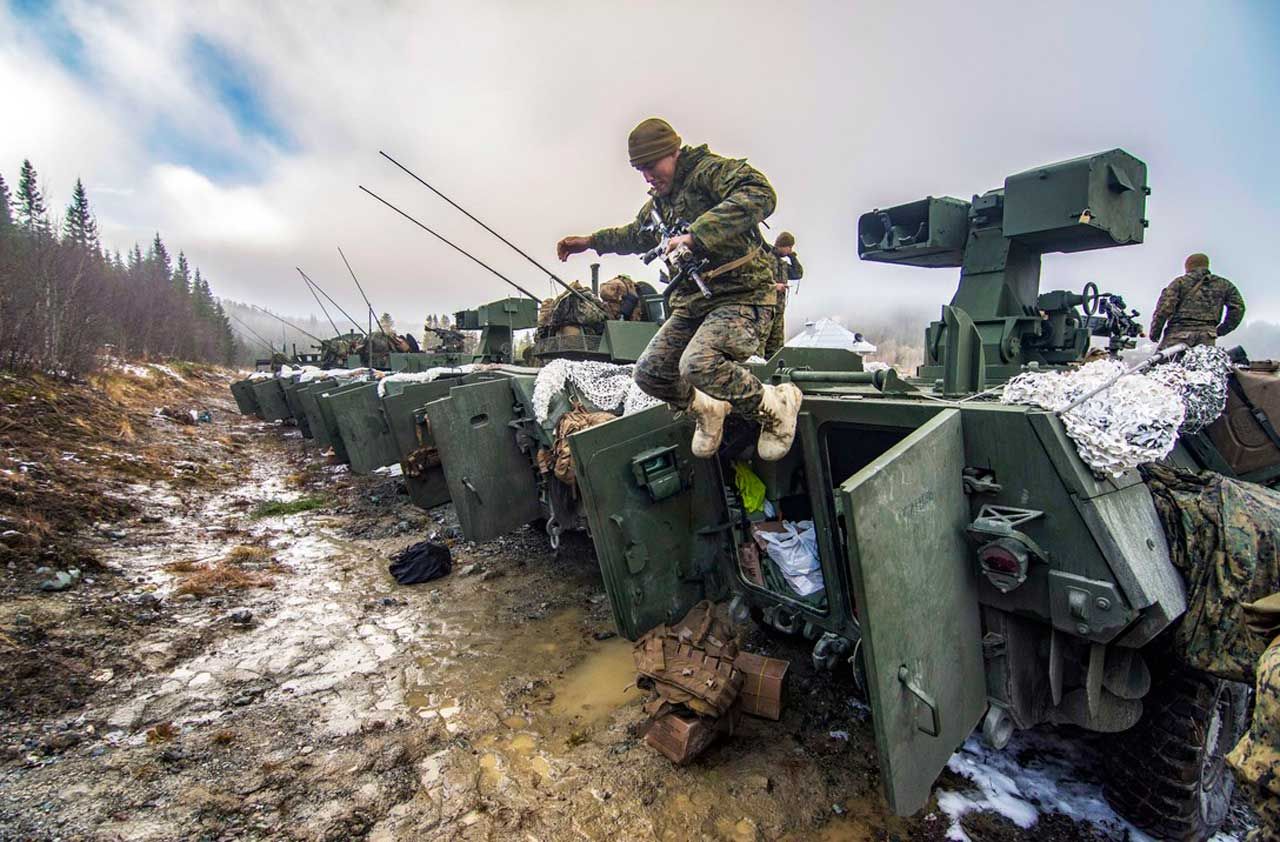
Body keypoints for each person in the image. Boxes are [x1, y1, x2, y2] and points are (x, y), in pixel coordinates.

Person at [556, 118, 802, 460]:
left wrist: (697, 234)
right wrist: (591, 241)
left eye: (651, 165)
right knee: (651, 373)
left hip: (743, 296)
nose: (647, 176)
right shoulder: (660, 204)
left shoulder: (708, 173)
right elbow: (635, 234)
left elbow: (761, 193)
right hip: (695, 303)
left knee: (697, 364)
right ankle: (708, 410)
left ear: (673, 152)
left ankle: (774, 407)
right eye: (640, 169)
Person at [1149, 253, 1245, 349]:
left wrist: (1155, 332)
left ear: (1188, 266)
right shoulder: (1224, 285)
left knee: (1164, 362)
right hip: (1207, 336)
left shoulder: (1180, 282)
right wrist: (1221, 330)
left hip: (1178, 333)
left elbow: (1164, 308)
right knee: (1200, 363)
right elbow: (1238, 308)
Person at [760, 231, 803, 358]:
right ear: (782, 245)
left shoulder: (782, 263)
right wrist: (775, 287)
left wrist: (792, 257)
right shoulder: (766, 259)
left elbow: (798, 273)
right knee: (762, 341)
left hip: (778, 309)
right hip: (766, 308)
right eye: (789, 247)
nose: (790, 250)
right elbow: (757, 282)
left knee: (776, 345)